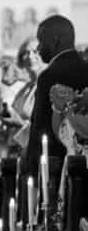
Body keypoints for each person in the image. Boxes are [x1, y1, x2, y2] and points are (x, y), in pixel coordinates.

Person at [26, 15, 88, 178]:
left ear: (54, 40)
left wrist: (31, 170)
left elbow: (40, 128)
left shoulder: (49, 76)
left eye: (41, 41)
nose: (38, 48)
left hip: (57, 167)